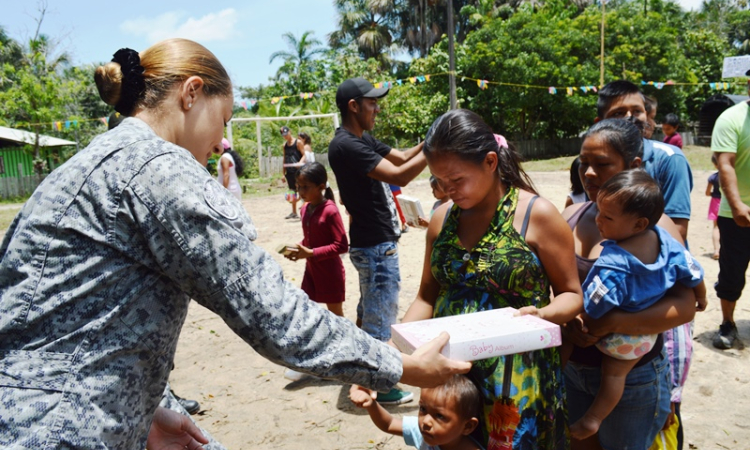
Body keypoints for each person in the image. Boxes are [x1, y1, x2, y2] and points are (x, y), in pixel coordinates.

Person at [0, 39, 472, 449]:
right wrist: (400, 366)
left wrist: (147, 409)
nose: (222, 140)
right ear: (191, 93)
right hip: (64, 430)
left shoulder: (88, 165)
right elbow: (272, 311)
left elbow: (76, 321)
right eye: (223, 119)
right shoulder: (159, 170)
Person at [395, 109, 583, 449]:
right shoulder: (441, 219)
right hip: (451, 380)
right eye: (439, 182)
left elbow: (571, 295)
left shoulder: (536, 216)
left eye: (456, 180)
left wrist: (542, 315)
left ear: (491, 162)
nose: (448, 191)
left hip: (517, 379)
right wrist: (394, 348)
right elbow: (426, 296)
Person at [562, 118, 698, 450]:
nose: (589, 173)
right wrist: (569, 322)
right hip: (573, 370)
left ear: (633, 165)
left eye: (602, 164)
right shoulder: (572, 215)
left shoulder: (657, 228)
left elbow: (686, 306)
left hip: (632, 376)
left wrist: (613, 322)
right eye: (584, 163)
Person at [329, 77, 427, 405]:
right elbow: (400, 175)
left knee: (369, 310)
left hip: (373, 243)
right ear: (353, 106)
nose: (376, 108)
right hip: (374, 246)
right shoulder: (347, 145)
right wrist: (435, 148)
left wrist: (428, 142)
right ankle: (381, 386)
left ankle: (360, 370)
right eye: (371, 102)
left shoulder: (362, 139)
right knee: (380, 319)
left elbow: (400, 158)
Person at [596, 80, 692, 242]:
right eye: (618, 113)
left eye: (636, 111)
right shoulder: (593, 163)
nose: (629, 117)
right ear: (600, 122)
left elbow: (676, 231)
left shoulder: (670, 160)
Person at [710, 73, 750, 350]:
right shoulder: (731, 118)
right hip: (735, 213)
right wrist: (736, 205)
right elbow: (725, 164)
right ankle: (727, 322)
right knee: (732, 272)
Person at [350, 374, 484, 450]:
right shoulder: (423, 433)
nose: (426, 421)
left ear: (467, 426)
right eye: (423, 409)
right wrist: (371, 405)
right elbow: (389, 424)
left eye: (439, 416)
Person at [285, 162, 347, 318]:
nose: (300, 191)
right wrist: (298, 249)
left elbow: (341, 246)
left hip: (330, 273)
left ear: (321, 187)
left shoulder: (330, 211)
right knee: (306, 311)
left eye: (305, 187)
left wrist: (311, 253)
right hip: (311, 271)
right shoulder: (305, 208)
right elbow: (310, 238)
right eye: (298, 186)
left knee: (336, 316)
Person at [281, 125, 305, 219]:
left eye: (287, 134)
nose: (286, 136)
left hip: (298, 171)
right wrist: (283, 174)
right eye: (284, 135)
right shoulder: (284, 145)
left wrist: (300, 163)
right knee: (292, 191)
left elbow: (304, 155)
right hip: (289, 172)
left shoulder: (298, 143)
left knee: (302, 189)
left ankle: (305, 209)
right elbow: (284, 159)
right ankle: (294, 212)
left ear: (290, 132)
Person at [707, 154, 722, 260]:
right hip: (727, 203)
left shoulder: (713, 177)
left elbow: (707, 193)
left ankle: (716, 250)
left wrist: (713, 194)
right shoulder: (731, 175)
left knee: (716, 227)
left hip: (715, 202)